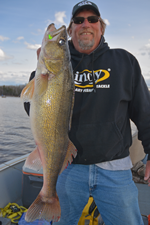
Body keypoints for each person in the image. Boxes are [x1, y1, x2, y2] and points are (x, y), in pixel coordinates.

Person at [24, 1, 150, 224]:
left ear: (101, 26)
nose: (86, 24)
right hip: (68, 166)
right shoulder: (61, 63)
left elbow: (145, 111)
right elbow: (31, 108)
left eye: (92, 19)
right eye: (78, 20)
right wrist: (39, 70)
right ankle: (47, 197)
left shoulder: (125, 61)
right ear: (72, 29)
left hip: (115, 166)